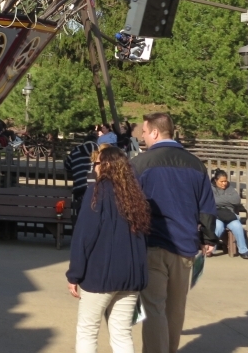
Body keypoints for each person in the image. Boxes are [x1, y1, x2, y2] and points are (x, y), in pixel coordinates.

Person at [130, 112, 217, 353]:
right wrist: (208, 238)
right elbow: (207, 205)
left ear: (155, 133)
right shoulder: (196, 164)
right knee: (176, 308)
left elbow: (129, 204)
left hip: (152, 243)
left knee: (155, 307)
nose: (143, 138)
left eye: (144, 133)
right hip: (185, 246)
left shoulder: (140, 164)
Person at [67, 145, 150, 353]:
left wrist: (74, 274)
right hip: (131, 275)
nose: (93, 168)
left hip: (100, 274)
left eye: (95, 163)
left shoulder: (96, 193)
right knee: (121, 333)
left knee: (87, 330)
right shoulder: (136, 196)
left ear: (104, 166)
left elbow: (84, 236)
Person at [210, 170, 248, 259]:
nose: (224, 183)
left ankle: (243, 251)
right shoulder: (210, 188)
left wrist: (221, 200)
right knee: (218, 227)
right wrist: (228, 201)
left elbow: (237, 200)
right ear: (216, 180)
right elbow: (213, 201)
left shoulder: (230, 188)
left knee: (238, 226)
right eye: (221, 181)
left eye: (225, 181)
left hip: (229, 215)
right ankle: (211, 250)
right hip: (217, 215)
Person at [65, 132, 99, 221]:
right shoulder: (99, 150)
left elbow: (67, 165)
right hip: (95, 188)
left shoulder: (75, 151)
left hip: (80, 187)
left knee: (81, 215)